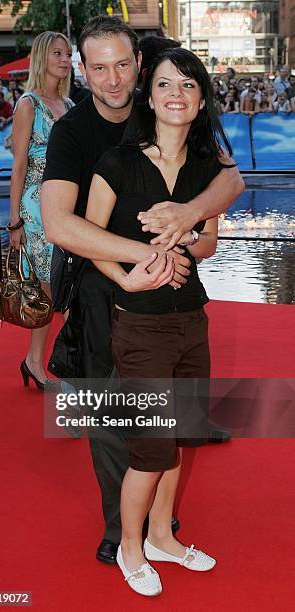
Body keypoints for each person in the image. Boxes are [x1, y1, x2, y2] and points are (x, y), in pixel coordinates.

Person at [41, 15, 244, 565]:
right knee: (111, 416)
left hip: (171, 297)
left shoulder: (165, 102)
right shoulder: (74, 133)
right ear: (82, 70)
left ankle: (158, 524)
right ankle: (120, 531)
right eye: (99, 67)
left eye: (123, 65)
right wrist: (149, 255)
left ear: (140, 64)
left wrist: (190, 215)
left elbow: (230, 178)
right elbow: (60, 225)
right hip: (100, 288)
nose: (112, 79)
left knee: (169, 412)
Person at [85, 47, 235, 596]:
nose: (177, 94)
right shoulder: (117, 163)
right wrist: (127, 277)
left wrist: (185, 236)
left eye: (188, 86)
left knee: (180, 438)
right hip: (140, 324)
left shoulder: (207, 170)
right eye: (166, 84)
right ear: (150, 96)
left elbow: (211, 244)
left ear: (200, 101)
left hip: (193, 319)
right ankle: (129, 545)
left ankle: (161, 538)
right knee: (150, 446)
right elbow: (87, 237)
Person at [8, 30, 74, 389]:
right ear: (42, 59)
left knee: (61, 288)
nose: (65, 60)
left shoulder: (72, 106)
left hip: (68, 206)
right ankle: (36, 361)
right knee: (50, 288)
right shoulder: (28, 104)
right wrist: (13, 220)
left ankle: (35, 361)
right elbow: (18, 165)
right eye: (58, 54)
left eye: (67, 54)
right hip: (36, 208)